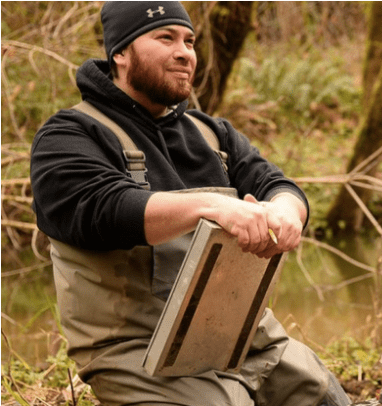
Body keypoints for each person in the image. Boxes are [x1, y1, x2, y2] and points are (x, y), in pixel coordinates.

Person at [29, 2, 351, 405]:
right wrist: (212, 207)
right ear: (120, 53)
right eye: (165, 38)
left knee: (323, 392)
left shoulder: (211, 133)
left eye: (190, 40)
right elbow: (102, 208)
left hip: (243, 338)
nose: (185, 52)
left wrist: (286, 211)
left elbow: (275, 183)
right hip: (136, 353)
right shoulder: (70, 135)